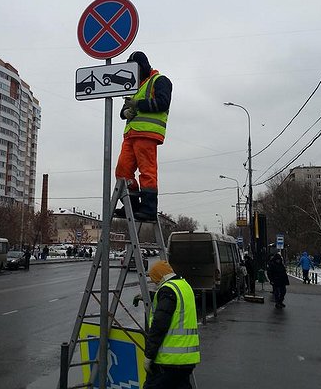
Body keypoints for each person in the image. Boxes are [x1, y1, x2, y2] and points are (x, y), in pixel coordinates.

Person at [114, 51, 173, 221]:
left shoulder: (160, 80)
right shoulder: (135, 85)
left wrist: (137, 105)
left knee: (147, 171)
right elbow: (123, 111)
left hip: (147, 134)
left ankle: (148, 209)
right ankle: (131, 206)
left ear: (143, 66)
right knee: (122, 170)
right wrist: (126, 112)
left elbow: (163, 102)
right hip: (130, 135)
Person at [143, 260, 200, 389]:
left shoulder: (167, 290)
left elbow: (159, 326)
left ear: (159, 277)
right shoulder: (184, 286)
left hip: (168, 360)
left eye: (155, 281)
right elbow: (175, 306)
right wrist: (153, 297)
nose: (156, 284)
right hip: (187, 359)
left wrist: (149, 355)